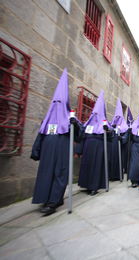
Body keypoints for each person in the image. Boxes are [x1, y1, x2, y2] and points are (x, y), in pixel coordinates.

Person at [31, 68, 82, 216]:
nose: (57, 104)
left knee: (60, 174)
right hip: (48, 152)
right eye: (55, 102)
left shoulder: (71, 119)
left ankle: (53, 202)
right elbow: (40, 135)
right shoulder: (47, 119)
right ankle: (46, 198)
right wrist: (36, 150)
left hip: (62, 152)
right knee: (46, 174)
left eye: (60, 102)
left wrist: (75, 125)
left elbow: (79, 137)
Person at [77, 91, 111, 195]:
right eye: (94, 113)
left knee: (96, 167)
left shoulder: (105, 124)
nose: (95, 115)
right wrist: (79, 150)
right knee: (86, 165)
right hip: (87, 148)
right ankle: (86, 184)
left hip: (98, 148)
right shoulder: (88, 123)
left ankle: (94, 187)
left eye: (97, 113)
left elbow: (110, 137)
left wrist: (107, 131)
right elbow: (82, 136)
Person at [108, 98, 129, 181]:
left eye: (119, 117)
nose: (117, 118)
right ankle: (110, 175)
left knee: (118, 160)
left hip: (120, 147)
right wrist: (111, 130)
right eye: (116, 117)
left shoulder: (125, 127)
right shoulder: (112, 124)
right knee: (110, 160)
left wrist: (122, 138)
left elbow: (126, 136)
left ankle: (117, 176)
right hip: (112, 146)